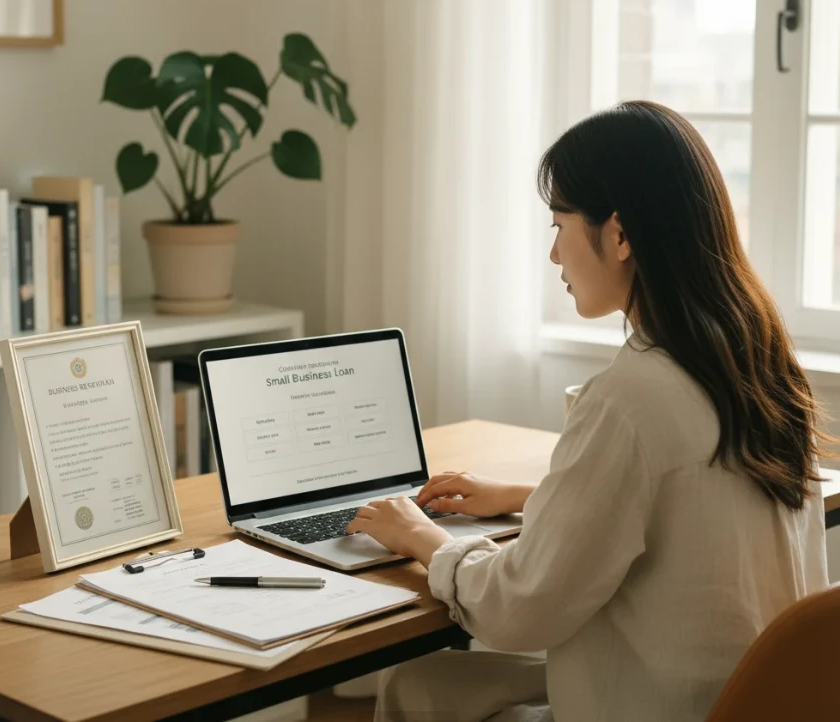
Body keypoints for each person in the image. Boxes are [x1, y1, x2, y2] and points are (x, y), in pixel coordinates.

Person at [345, 100, 831, 722]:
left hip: (661, 704)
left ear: (620, 234)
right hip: (745, 698)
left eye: (559, 224)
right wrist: (529, 495)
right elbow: (693, 502)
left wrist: (420, 536)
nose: (553, 255)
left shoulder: (631, 398)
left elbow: (518, 607)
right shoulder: (758, 362)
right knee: (437, 683)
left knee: (416, 687)